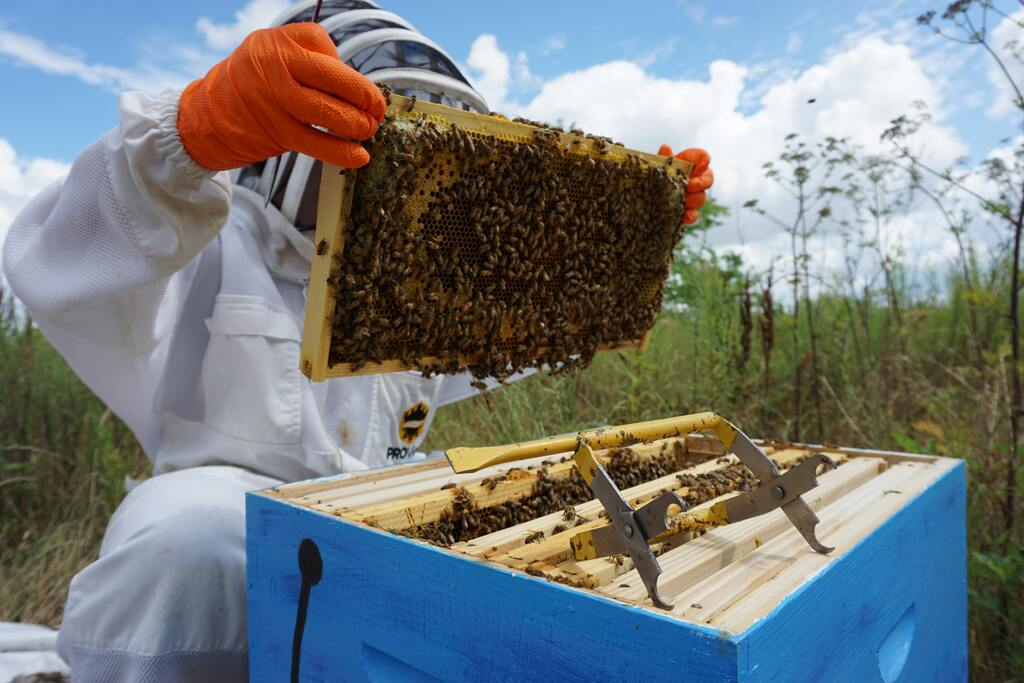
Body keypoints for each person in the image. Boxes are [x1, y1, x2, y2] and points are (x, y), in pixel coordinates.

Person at [2, 1, 714, 680]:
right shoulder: (213, 233)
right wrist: (188, 136)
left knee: (540, 516)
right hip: (226, 501)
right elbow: (55, 257)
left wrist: (624, 242)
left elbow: (526, 323)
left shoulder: (426, 285)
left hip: (381, 495)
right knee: (182, 550)